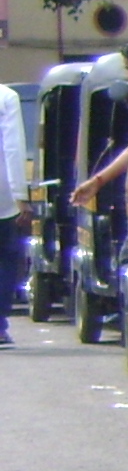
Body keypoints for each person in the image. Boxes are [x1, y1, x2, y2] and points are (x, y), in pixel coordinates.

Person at [0, 85, 27, 344]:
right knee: (5, 260)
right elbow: (13, 148)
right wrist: (21, 195)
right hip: (2, 197)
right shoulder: (6, 97)